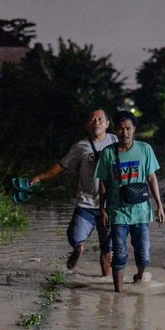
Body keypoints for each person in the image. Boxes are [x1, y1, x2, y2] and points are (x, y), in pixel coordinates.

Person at [30, 108, 118, 274]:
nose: (96, 122)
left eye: (100, 119)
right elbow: (62, 166)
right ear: (87, 125)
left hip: (110, 205)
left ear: (107, 124)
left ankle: (105, 282)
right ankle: (78, 250)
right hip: (86, 203)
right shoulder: (80, 146)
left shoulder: (116, 141)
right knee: (75, 237)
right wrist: (41, 177)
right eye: (92, 119)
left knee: (108, 248)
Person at [96, 110, 165, 292]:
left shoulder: (145, 149)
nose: (124, 133)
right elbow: (103, 182)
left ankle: (139, 277)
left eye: (128, 128)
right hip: (117, 211)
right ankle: (117, 295)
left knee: (143, 254)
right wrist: (102, 209)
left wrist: (159, 206)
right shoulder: (108, 153)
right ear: (115, 130)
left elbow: (151, 178)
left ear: (134, 129)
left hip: (141, 211)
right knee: (119, 253)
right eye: (120, 128)